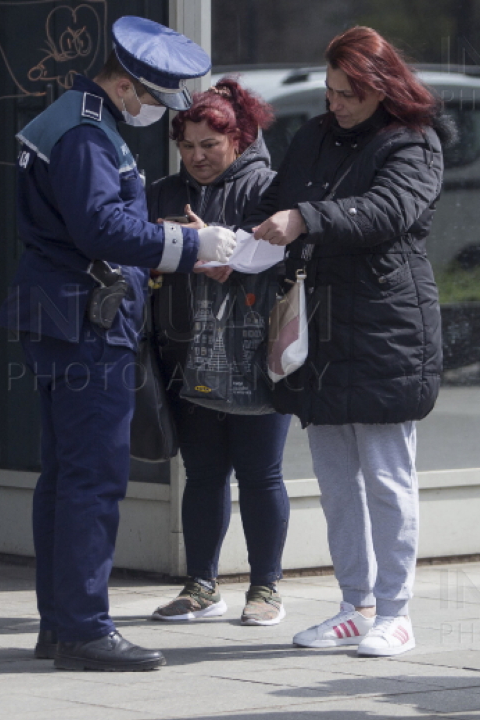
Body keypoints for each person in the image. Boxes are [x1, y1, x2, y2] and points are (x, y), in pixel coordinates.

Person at [0, 16, 235, 671]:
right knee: (93, 481)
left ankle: (61, 624)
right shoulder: (85, 132)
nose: (159, 112)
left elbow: (97, 222)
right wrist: (192, 244)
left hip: (67, 314)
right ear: (128, 85)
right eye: (157, 99)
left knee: (68, 477)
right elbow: (100, 229)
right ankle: (82, 629)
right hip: (84, 323)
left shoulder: (82, 120)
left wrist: (162, 235)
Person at [246, 26, 450, 657]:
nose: (335, 103)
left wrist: (306, 218)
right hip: (321, 332)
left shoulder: (414, 142)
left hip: (387, 331)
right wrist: (236, 244)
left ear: (380, 88)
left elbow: (388, 211)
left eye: (348, 94)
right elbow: (278, 200)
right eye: (331, 91)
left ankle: (396, 611)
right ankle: (355, 605)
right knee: (336, 482)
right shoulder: (312, 136)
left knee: (388, 479)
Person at [145, 79, 292, 626]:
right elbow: (138, 253)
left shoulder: (269, 188)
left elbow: (291, 255)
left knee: (261, 473)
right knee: (202, 472)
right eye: (187, 146)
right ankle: (201, 586)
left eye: (211, 144)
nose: (198, 157)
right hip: (184, 348)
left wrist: (227, 247)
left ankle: (266, 588)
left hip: (257, 351)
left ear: (238, 138)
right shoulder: (162, 190)